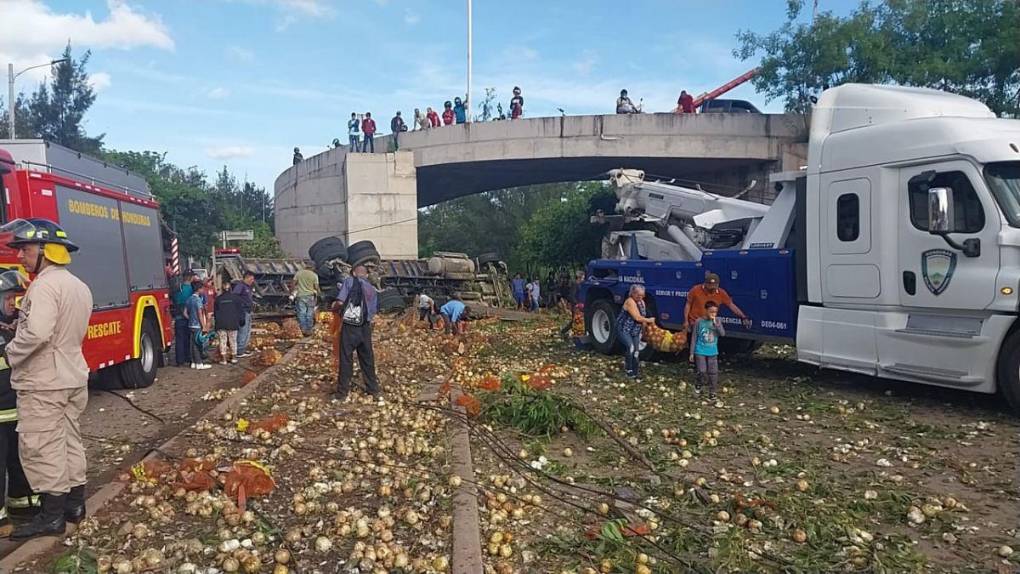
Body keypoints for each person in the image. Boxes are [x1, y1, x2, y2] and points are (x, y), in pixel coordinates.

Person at [2, 219, 93, 540]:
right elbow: (61, 331)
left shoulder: (42, 286)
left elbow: (39, 333)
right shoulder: (78, 286)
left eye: (25, 249)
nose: (20, 257)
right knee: (69, 440)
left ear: (46, 251)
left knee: (42, 445)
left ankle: (51, 517)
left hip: (44, 382)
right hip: (71, 376)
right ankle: (75, 505)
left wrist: (12, 349)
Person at [0, 270, 37, 536]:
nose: (14, 303)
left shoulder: (9, 328)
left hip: (14, 408)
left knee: (19, 458)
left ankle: (23, 503)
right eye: (9, 298)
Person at [333, 266, 380, 401]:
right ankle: (374, 390)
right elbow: (373, 312)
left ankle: (342, 394)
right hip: (365, 328)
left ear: (353, 273)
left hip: (350, 326)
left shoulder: (349, 281)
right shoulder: (372, 289)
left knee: (346, 358)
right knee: (367, 359)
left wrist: (334, 308)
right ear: (365, 275)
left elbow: (340, 302)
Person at [682, 272, 751, 342]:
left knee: (709, 342)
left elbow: (732, 306)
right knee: (701, 342)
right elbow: (688, 305)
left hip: (710, 323)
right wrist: (686, 321)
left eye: (714, 287)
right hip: (696, 322)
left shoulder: (721, 293)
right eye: (710, 287)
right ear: (705, 284)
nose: (712, 290)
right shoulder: (695, 290)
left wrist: (743, 317)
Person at [616, 284, 655, 378]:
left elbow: (642, 317)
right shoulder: (630, 302)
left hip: (635, 331)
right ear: (633, 293)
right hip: (624, 329)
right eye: (638, 295)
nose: (640, 297)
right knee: (631, 347)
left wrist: (645, 331)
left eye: (642, 295)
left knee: (637, 351)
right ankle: (628, 370)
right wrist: (649, 320)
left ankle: (635, 371)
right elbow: (637, 317)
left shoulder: (642, 303)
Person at [692, 301, 724, 400]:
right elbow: (694, 337)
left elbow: (722, 334)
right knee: (702, 370)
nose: (713, 314)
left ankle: (712, 392)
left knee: (713, 372)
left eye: (715, 312)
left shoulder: (718, 321)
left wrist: (716, 325)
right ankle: (699, 384)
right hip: (700, 349)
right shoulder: (699, 321)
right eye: (711, 312)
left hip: (712, 350)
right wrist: (691, 352)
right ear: (706, 311)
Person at [172, 269, 197, 367]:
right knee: (189, 339)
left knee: (179, 339)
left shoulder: (179, 288)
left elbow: (175, 301)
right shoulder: (192, 289)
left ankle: (179, 361)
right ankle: (188, 357)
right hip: (189, 318)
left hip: (178, 317)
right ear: (190, 277)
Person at [186, 279, 212, 370]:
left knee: (192, 344)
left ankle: (193, 362)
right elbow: (200, 314)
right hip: (197, 325)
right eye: (202, 289)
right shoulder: (198, 300)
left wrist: (190, 319)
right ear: (198, 289)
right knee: (198, 344)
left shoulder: (189, 299)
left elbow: (185, 312)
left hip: (191, 325)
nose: (203, 290)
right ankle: (199, 363)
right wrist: (204, 326)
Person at [214, 285, 243, 365]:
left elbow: (216, 313)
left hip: (221, 323)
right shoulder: (236, 298)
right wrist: (241, 321)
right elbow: (240, 311)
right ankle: (234, 358)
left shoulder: (218, 299)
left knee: (222, 341)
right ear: (230, 289)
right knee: (233, 340)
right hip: (233, 323)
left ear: (222, 290)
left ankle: (223, 360)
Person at [232, 272, 256, 358]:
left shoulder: (248, 287)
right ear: (247, 277)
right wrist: (242, 304)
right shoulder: (240, 286)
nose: (252, 281)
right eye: (251, 279)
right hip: (242, 311)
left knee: (247, 331)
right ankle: (239, 350)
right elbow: (235, 296)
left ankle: (243, 348)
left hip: (248, 311)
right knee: (243, 330)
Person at [293, 263, 320, 336]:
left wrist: (291, 292)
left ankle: (303, 329)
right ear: (312, 268)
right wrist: (320, 293)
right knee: (310, 313)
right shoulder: (314, 275)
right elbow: (316, 287)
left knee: (302, 312)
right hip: (310, 296)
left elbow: (293, 283)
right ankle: (309, 329)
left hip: (300, 296)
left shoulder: (299, 273)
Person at [559, 270, 585, 339]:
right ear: (579, 277)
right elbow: (572, 295)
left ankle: (565, 332)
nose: (583, 279)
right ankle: (567, 333)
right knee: (575, 320)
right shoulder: (575, 284)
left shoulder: (580, 284)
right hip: (575, 306)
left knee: (575, 320)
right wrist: (576, 303)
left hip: (579, 305)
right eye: (582, 277)